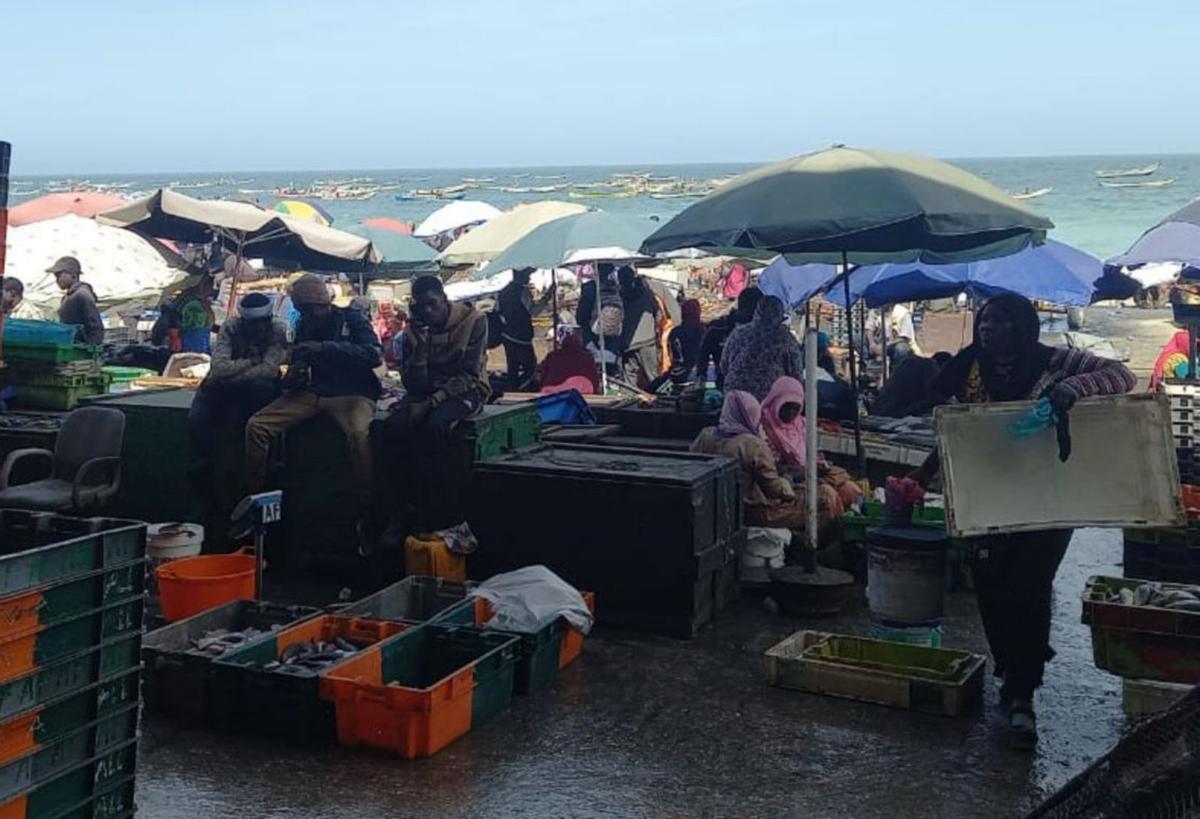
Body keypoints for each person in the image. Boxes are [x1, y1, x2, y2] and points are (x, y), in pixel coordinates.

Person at [912, 292, 1136, 749]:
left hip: (1045, 499)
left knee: (1029, 588)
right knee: (990, 588)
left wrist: (1073, 390)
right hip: (987, 496)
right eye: (985, 321)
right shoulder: (970, 367)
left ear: (1021, 326)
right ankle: (1012, 664)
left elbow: (1123, 376)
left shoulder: (1055, 360)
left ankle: (1022, 694)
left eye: (999, 321)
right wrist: (922, 475)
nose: (989, 329)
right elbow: (960, 428)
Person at [244, 274, 381, 494]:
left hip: (353, 393)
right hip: (313, 392)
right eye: (302, 311)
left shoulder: (351, 319)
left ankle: (366, 500)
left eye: (309, 310)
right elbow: (301, 364)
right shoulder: (304, 325)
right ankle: (256, 494)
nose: (306, 315)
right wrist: (294, 375)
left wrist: (324, 348)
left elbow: (374, 355)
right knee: (257, 426)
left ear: (323, 303)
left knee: (358, 435)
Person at [376, 275, 490, 531]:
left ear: (443, 300)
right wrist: (420, 349)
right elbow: (413, 384)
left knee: (435, 427)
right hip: (425, 392)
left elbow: (469, 375)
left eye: (433, 304)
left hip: (466, 391)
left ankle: (439, 511)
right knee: (389, 430)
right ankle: (395, 511)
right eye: (422, 306)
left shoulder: (474, 321)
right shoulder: (412, 334)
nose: (429, 311)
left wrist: (430, 403)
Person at [691, 391, 840, 539]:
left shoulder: (706, 436)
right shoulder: (752, 445)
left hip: (718, 508)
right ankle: (804, 548)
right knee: (825, 502)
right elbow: (774, 490)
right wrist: (788, 482)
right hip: (757, 512)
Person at [189, 293, 288, 498]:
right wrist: (251, 362)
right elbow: (218, 369)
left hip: (256, 392)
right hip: (219, 389)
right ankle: (202, 472)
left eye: (263, 322)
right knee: (197, 419)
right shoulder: (230, 327)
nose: (259, 328)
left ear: (269, 319)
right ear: (243, 322)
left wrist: (234, 373)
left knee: (260, 389)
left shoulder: (279, 330)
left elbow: (269, 370)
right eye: (252, 324)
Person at [761, 376, 862, 511]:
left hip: (811, 475)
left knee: (850, 490)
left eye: (795, 408)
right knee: (827, 495)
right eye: (786, 407)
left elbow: (814, 453)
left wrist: (819, 464)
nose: (791, 413)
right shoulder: (764, 427)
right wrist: (805, 470)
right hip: (789, 482)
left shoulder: (801, 424)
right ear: (776, 401)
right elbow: (773, 469)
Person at [720, 295, 803, 401]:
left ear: (757, 312)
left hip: (735, 394)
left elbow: (724, 365)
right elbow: (796, 374)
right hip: (769, 398)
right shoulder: (785, 338)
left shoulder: (739, 332)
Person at [497, 267, 552, 390]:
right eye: (527, 274)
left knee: (512, 368)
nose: (529, 277)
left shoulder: (503, 291)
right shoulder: (523, 291)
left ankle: (511, 391)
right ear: (520, 275)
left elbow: (497, 311)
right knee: (530, 369)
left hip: (506, 334)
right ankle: (519, 391)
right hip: (521, 336)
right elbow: (533, 311)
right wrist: (547, 297)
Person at [698, 287, 762, 388]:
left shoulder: (718, 328)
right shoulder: (718, 329)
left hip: (728, 387)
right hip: (726, 388)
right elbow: (703, 360)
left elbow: (702, 362)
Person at [871, 351, 953, 418]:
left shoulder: (911, 363)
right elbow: (936, 398)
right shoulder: (930, 365)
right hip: (893, 415)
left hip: (880, 411)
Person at [649, 298, 705, 392]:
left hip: (675, 372)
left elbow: (671, 356)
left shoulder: (675, 332)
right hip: (693, 373)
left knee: (652, 387)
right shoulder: (701, 331)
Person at [616, 266, 660, 386]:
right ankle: (658, 400)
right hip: (647, 340)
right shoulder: (647, 294)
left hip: (628, 342)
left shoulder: (619, 297)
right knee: (653, 375)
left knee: (630, 378)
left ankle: (632, 402)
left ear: (620, 280)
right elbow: (658, 313)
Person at [48, 257, 104, 344]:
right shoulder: (67, 297)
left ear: (73, 275)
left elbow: (95, 327)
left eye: (59, 275)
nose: (57, 280)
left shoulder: (82, 295)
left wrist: (91, 349)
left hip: (81, 348)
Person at [540, 326, 598, 394]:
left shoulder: (552, 355)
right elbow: (594, 377)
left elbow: (544, 373)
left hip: (554, 389)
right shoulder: (587, 356)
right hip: (583, 389)